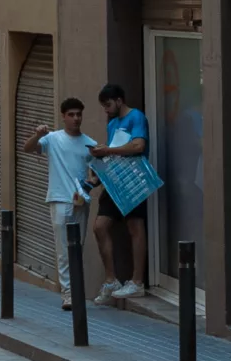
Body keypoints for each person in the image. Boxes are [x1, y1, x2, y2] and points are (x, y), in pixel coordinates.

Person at [22, 97, 101, 310]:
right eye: (71, 115)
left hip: (80, 202)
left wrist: (90, 184)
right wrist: (37, 135)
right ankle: (68, 293)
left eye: (79, 114)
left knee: (77, 248)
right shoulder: (53, 138)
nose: (76, 118)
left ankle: (75, 290)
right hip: (58, 199)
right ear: (63, 117)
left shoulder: (90, 144)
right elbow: (27, 148)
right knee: (63, 249)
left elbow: (96, 176)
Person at [90, 82, 149, 302]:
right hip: (114, 180)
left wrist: (108, 150)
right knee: (100, 226)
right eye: (103, 106)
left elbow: (138, 146)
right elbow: (113, 152)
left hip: (133, 179)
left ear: (119, 101)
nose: (106, 110)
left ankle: (137, 281)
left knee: (135, 226)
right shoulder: (113, 123)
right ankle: (111, 279)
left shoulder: (136, 117)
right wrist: (99, 171)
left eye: (108, 105)